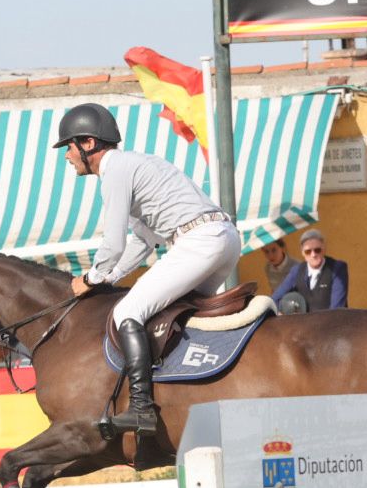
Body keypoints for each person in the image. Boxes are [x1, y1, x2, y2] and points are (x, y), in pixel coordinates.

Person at [58, 102, 242, 435]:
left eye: (68, 147)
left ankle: (142, 408)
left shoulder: (114, 172)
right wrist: (111, 277)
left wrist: (91, 278)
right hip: (223, 238)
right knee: (176, 314)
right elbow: (143, 240)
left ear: (88, 144)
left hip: (198, 241)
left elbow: (112, 244)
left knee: (126, 312)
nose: (66, 156)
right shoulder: (136, 165)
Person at [271, 229, 348, 311]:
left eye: (317, 250)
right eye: (308, 251)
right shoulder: (297, 271)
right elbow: (275, 299)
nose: (313, 255)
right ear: (302, 253)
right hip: (306, 322)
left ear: (324, 249)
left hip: (333, 322)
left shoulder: (337, 268)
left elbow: (337, 309)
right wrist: (283, 311)